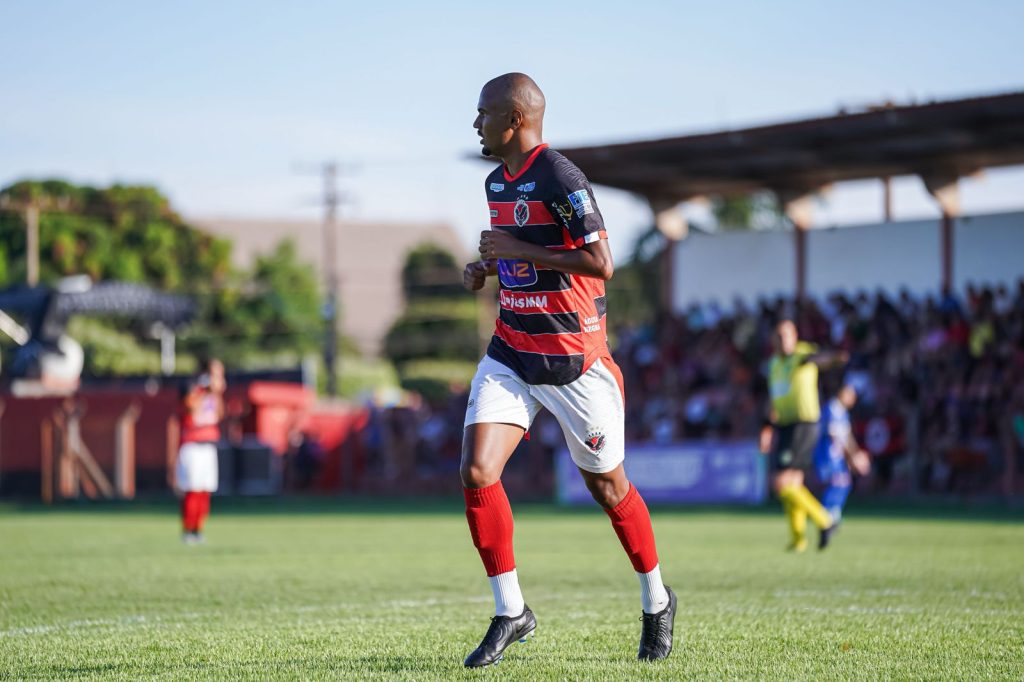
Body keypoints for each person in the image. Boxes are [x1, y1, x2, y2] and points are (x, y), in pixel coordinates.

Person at [459, 73, 675, 668]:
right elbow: (523, 259)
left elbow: (600, 262)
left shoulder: (561, 176)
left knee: (608, 487)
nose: (474, 124)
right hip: (512, 350)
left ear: (514, 120)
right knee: (478, 471)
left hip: (575, 360)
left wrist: (514, 251)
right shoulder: (494, 181)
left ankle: (657, 600)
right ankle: (511, 611)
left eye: (482, 114)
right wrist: (488, 270)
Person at [759, 320, 846, 552]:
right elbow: (775, 399)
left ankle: (826, 521)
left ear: (795, 336)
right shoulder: (775, 364)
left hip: (804, 424)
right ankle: (798, 539)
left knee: (781, 483)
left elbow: (820, 359)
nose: (784, 340)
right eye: (779, 335)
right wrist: (767, 429)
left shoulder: (802, 355)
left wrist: (835, 358)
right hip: (786, 426)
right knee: (793, 483)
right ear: (773, 340)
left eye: (787, 335)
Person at [175, 358, 225, 544]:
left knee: (205, 490)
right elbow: (191, 409)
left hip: (208, 446)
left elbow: (219, 415)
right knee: (192, 489)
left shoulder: (214, 394)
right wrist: (206, 391)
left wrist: (216, 394)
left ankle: (198, 529)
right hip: (192, 446)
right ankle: (188, 529)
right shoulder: (193, 388)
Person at [813, 384, 871, 524]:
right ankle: (826, 514)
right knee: (837, 482)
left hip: (837, 455)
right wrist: (851, 457)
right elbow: (835, 436)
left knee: (844, 483)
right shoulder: (832, 409)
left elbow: (847, 436)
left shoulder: (842, 412)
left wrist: (856, 454)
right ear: (843, 394)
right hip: (827, 454)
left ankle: (833, 512)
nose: (853, 400)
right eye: (851, 396)